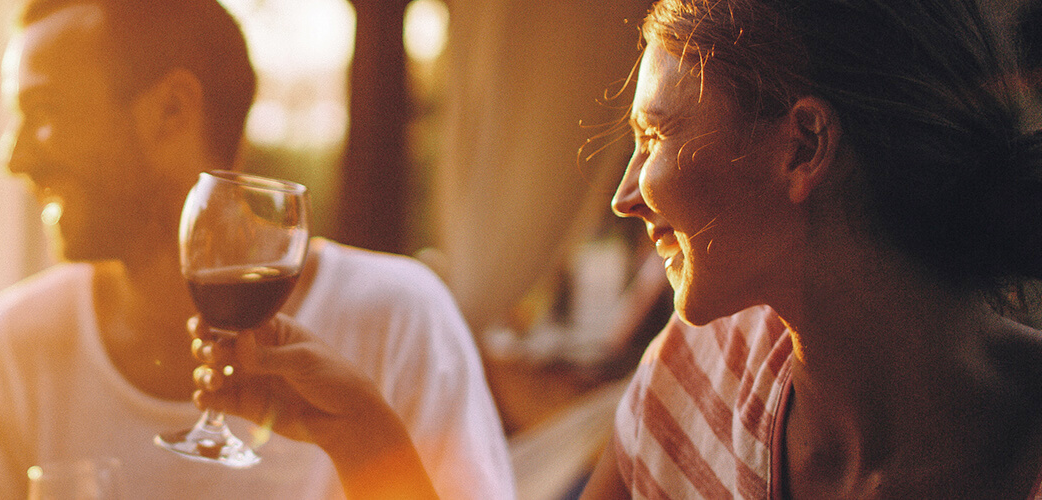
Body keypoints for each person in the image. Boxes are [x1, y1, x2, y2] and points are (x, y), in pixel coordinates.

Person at [198, 0, 1042, 498]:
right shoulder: (701, 374)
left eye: (655, 136)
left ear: (803, 145)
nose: (624, 193)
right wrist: (364, 437)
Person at [0, 0, 514, 498]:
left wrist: (363, 443)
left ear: (172, 110)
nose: (13, 157)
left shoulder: (399, 319)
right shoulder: (15, 348)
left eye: (45, 112)